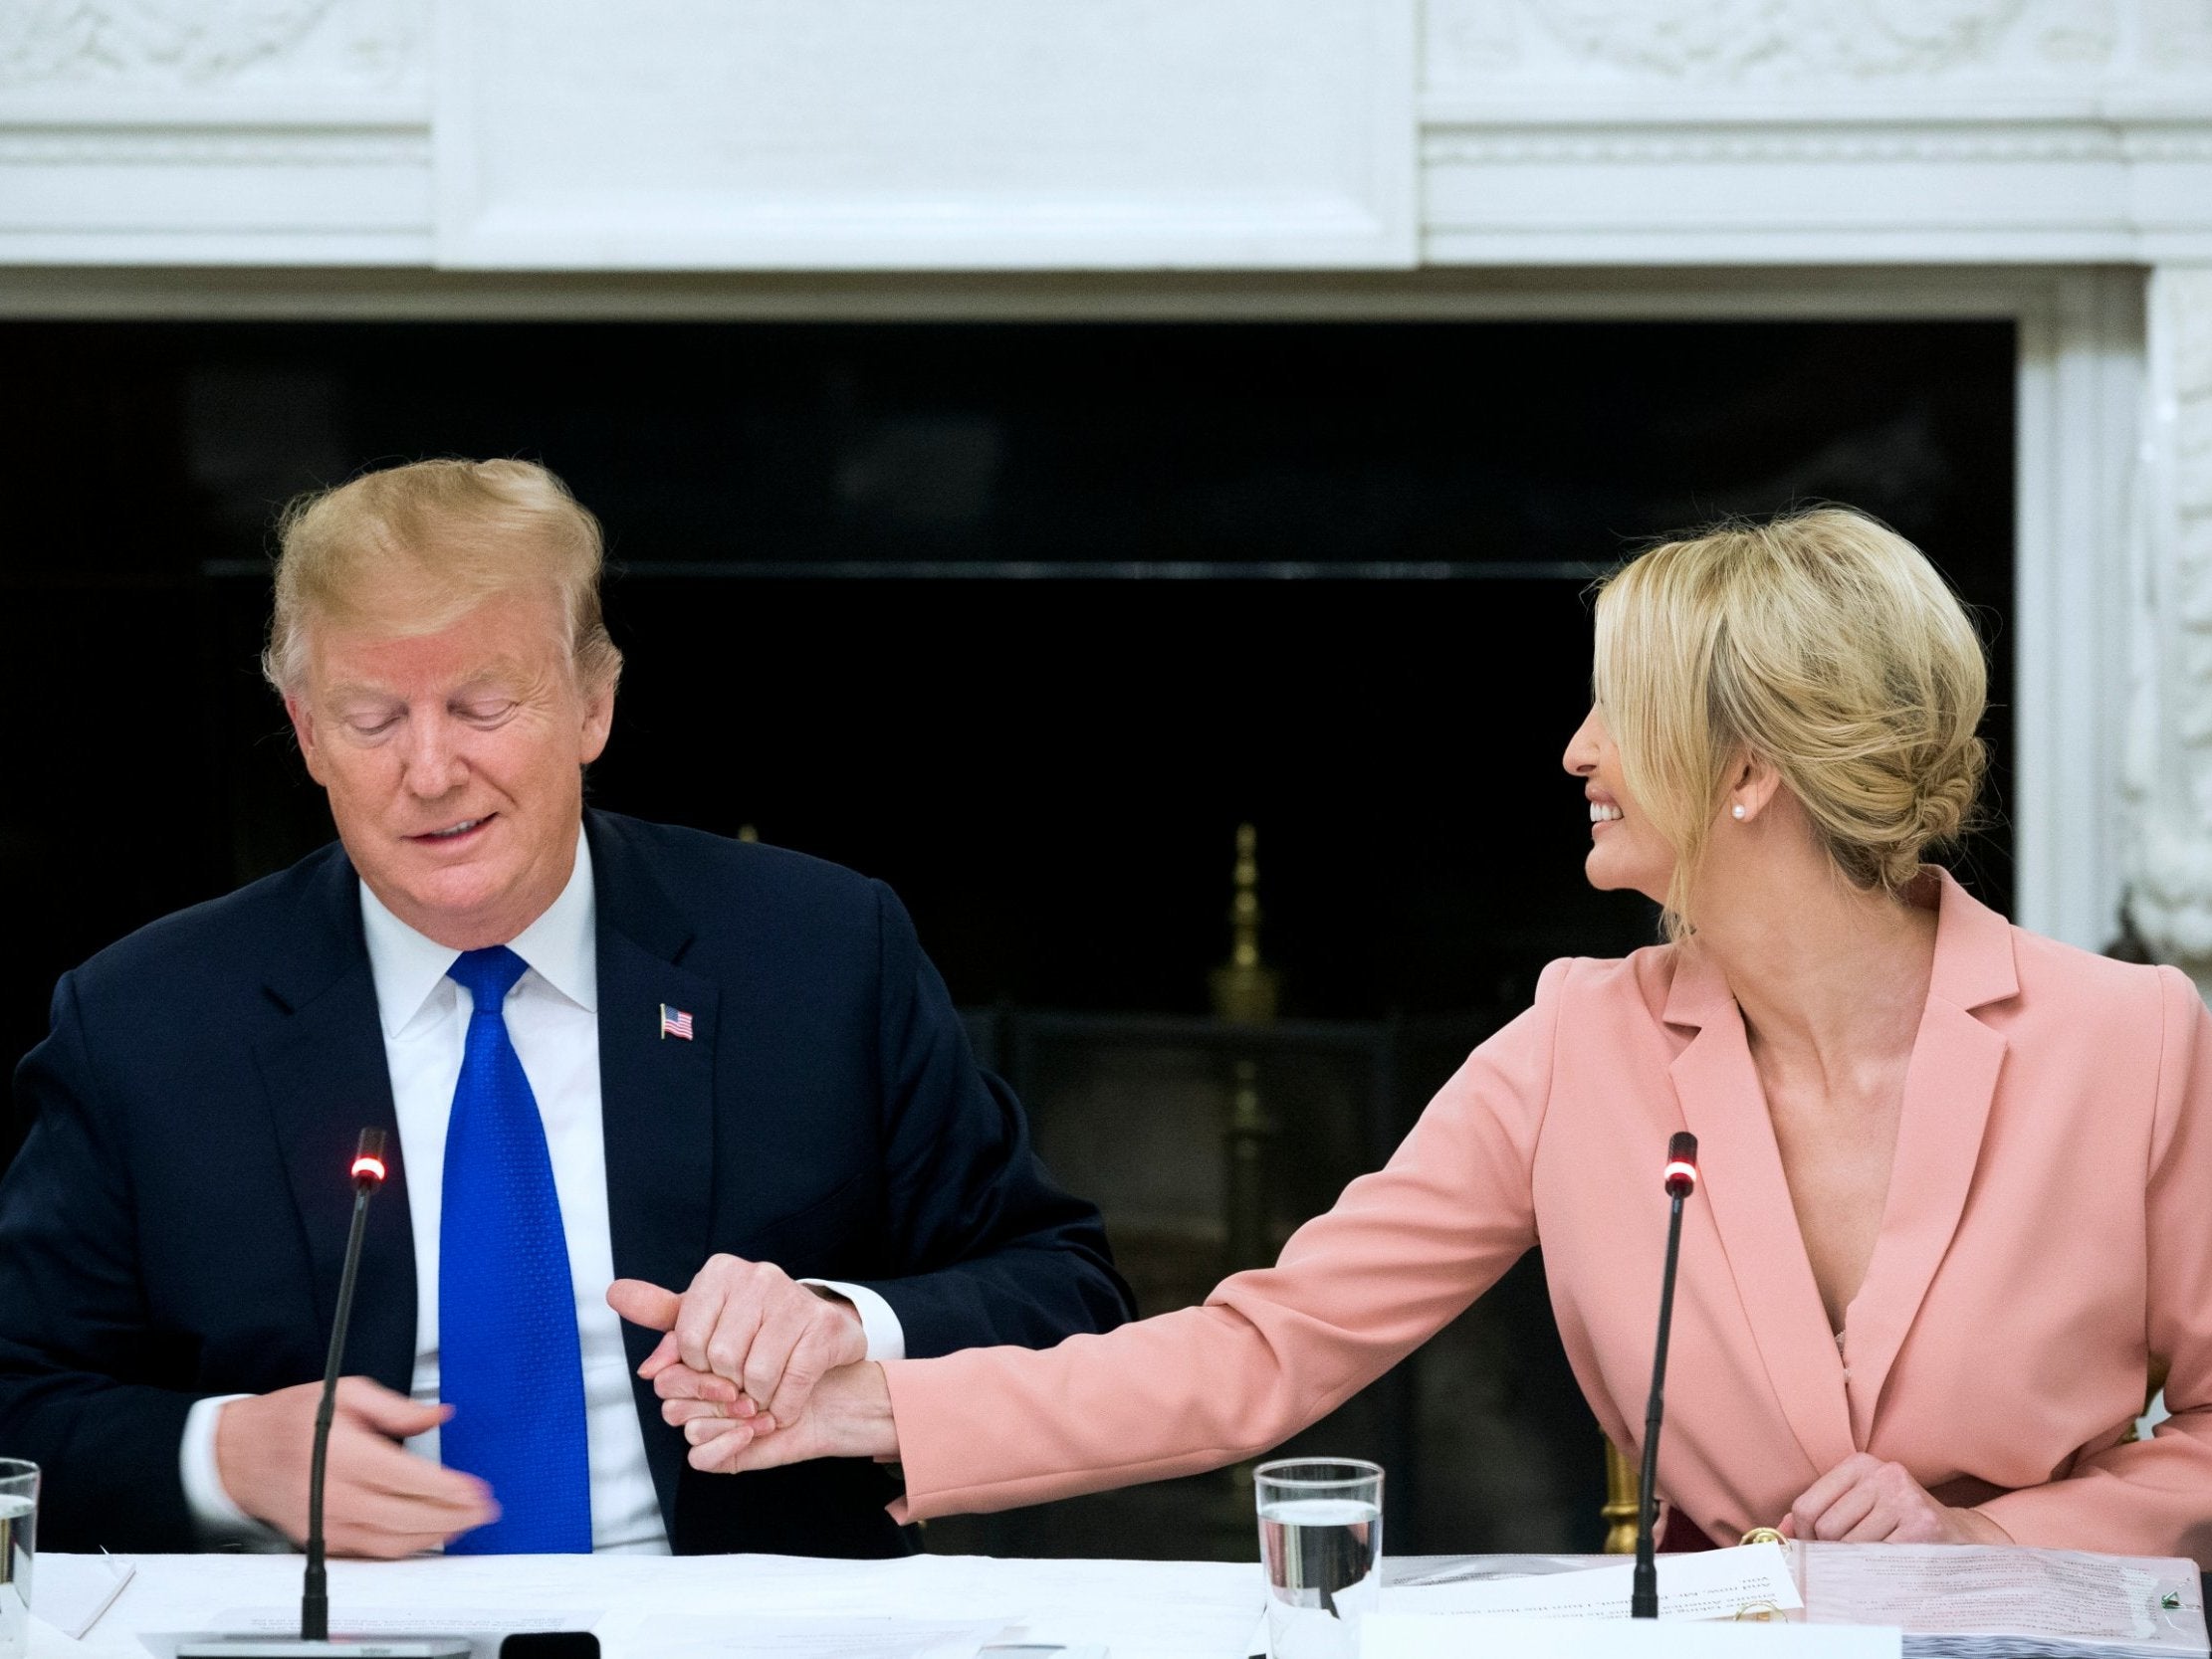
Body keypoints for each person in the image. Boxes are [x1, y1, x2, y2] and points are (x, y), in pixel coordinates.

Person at [620, 507, 2212, 1565]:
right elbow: (1265, 1349)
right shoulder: (1574, 1043)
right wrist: (884, 1401)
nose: (1576, 747)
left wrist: (1989, 1545)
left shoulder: (2130, 1041)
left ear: (1749, 772)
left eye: (1618, 710)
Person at [0, 457, 1133, 1559]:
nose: (431, 768)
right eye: (373, 717)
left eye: (483, 704)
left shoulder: (818, 952)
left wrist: (846, 1321)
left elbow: (1067, 1293)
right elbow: (23, 1394)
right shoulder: (146, 1022)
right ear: (304, 731)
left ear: (592, 702)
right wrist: (218, 1451)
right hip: (345, 1635)